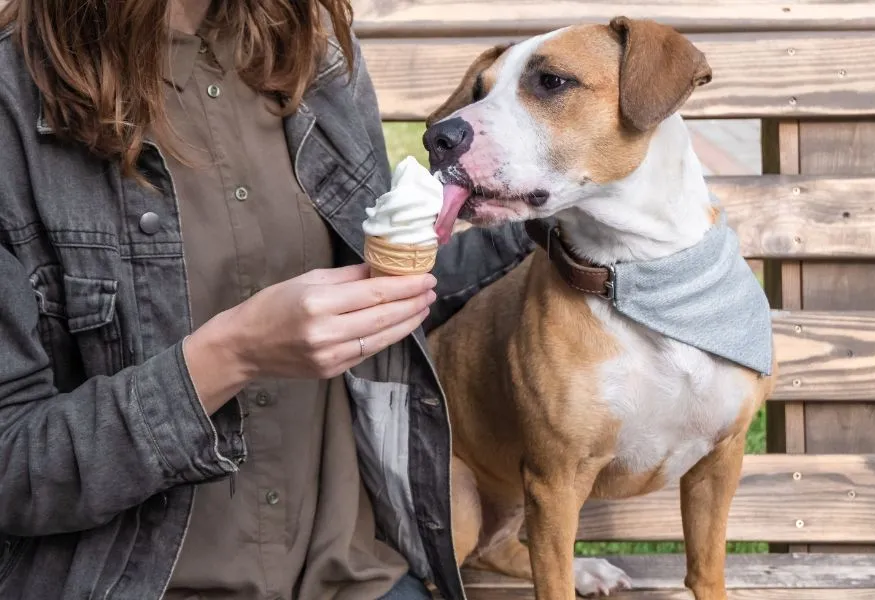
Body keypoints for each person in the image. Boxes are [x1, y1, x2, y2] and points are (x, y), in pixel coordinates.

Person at [0, 1, 533, 598]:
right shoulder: (12, 107)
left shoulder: (309, 54)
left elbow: (369, 298)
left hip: (353, 576)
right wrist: (231, 356)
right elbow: (12, 471)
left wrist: (544, 223)